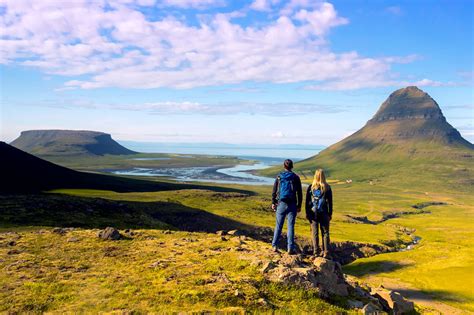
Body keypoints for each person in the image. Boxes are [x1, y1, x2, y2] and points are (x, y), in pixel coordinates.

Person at [271, 159, 302, 254]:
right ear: (292, 166)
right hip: (292, 204)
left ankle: (274, 246)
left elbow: (274, 190)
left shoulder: (279, 176)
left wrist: (273, 202)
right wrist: (299, 205)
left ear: (284, 166)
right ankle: (290, 248)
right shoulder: (296, 177)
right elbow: (299, 193)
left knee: (278, 226)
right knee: (290, 226)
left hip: (281, 203)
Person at [305, 169, 333, 258]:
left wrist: (307, 213)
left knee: (315, 233)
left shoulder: (311, 187)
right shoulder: (327, 188)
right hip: (324, 212)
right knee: (325, 232)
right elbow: (330, 202)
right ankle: (326, 252)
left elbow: (307, 202)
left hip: (313, 213)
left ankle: (316, 252)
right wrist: (330, 213)